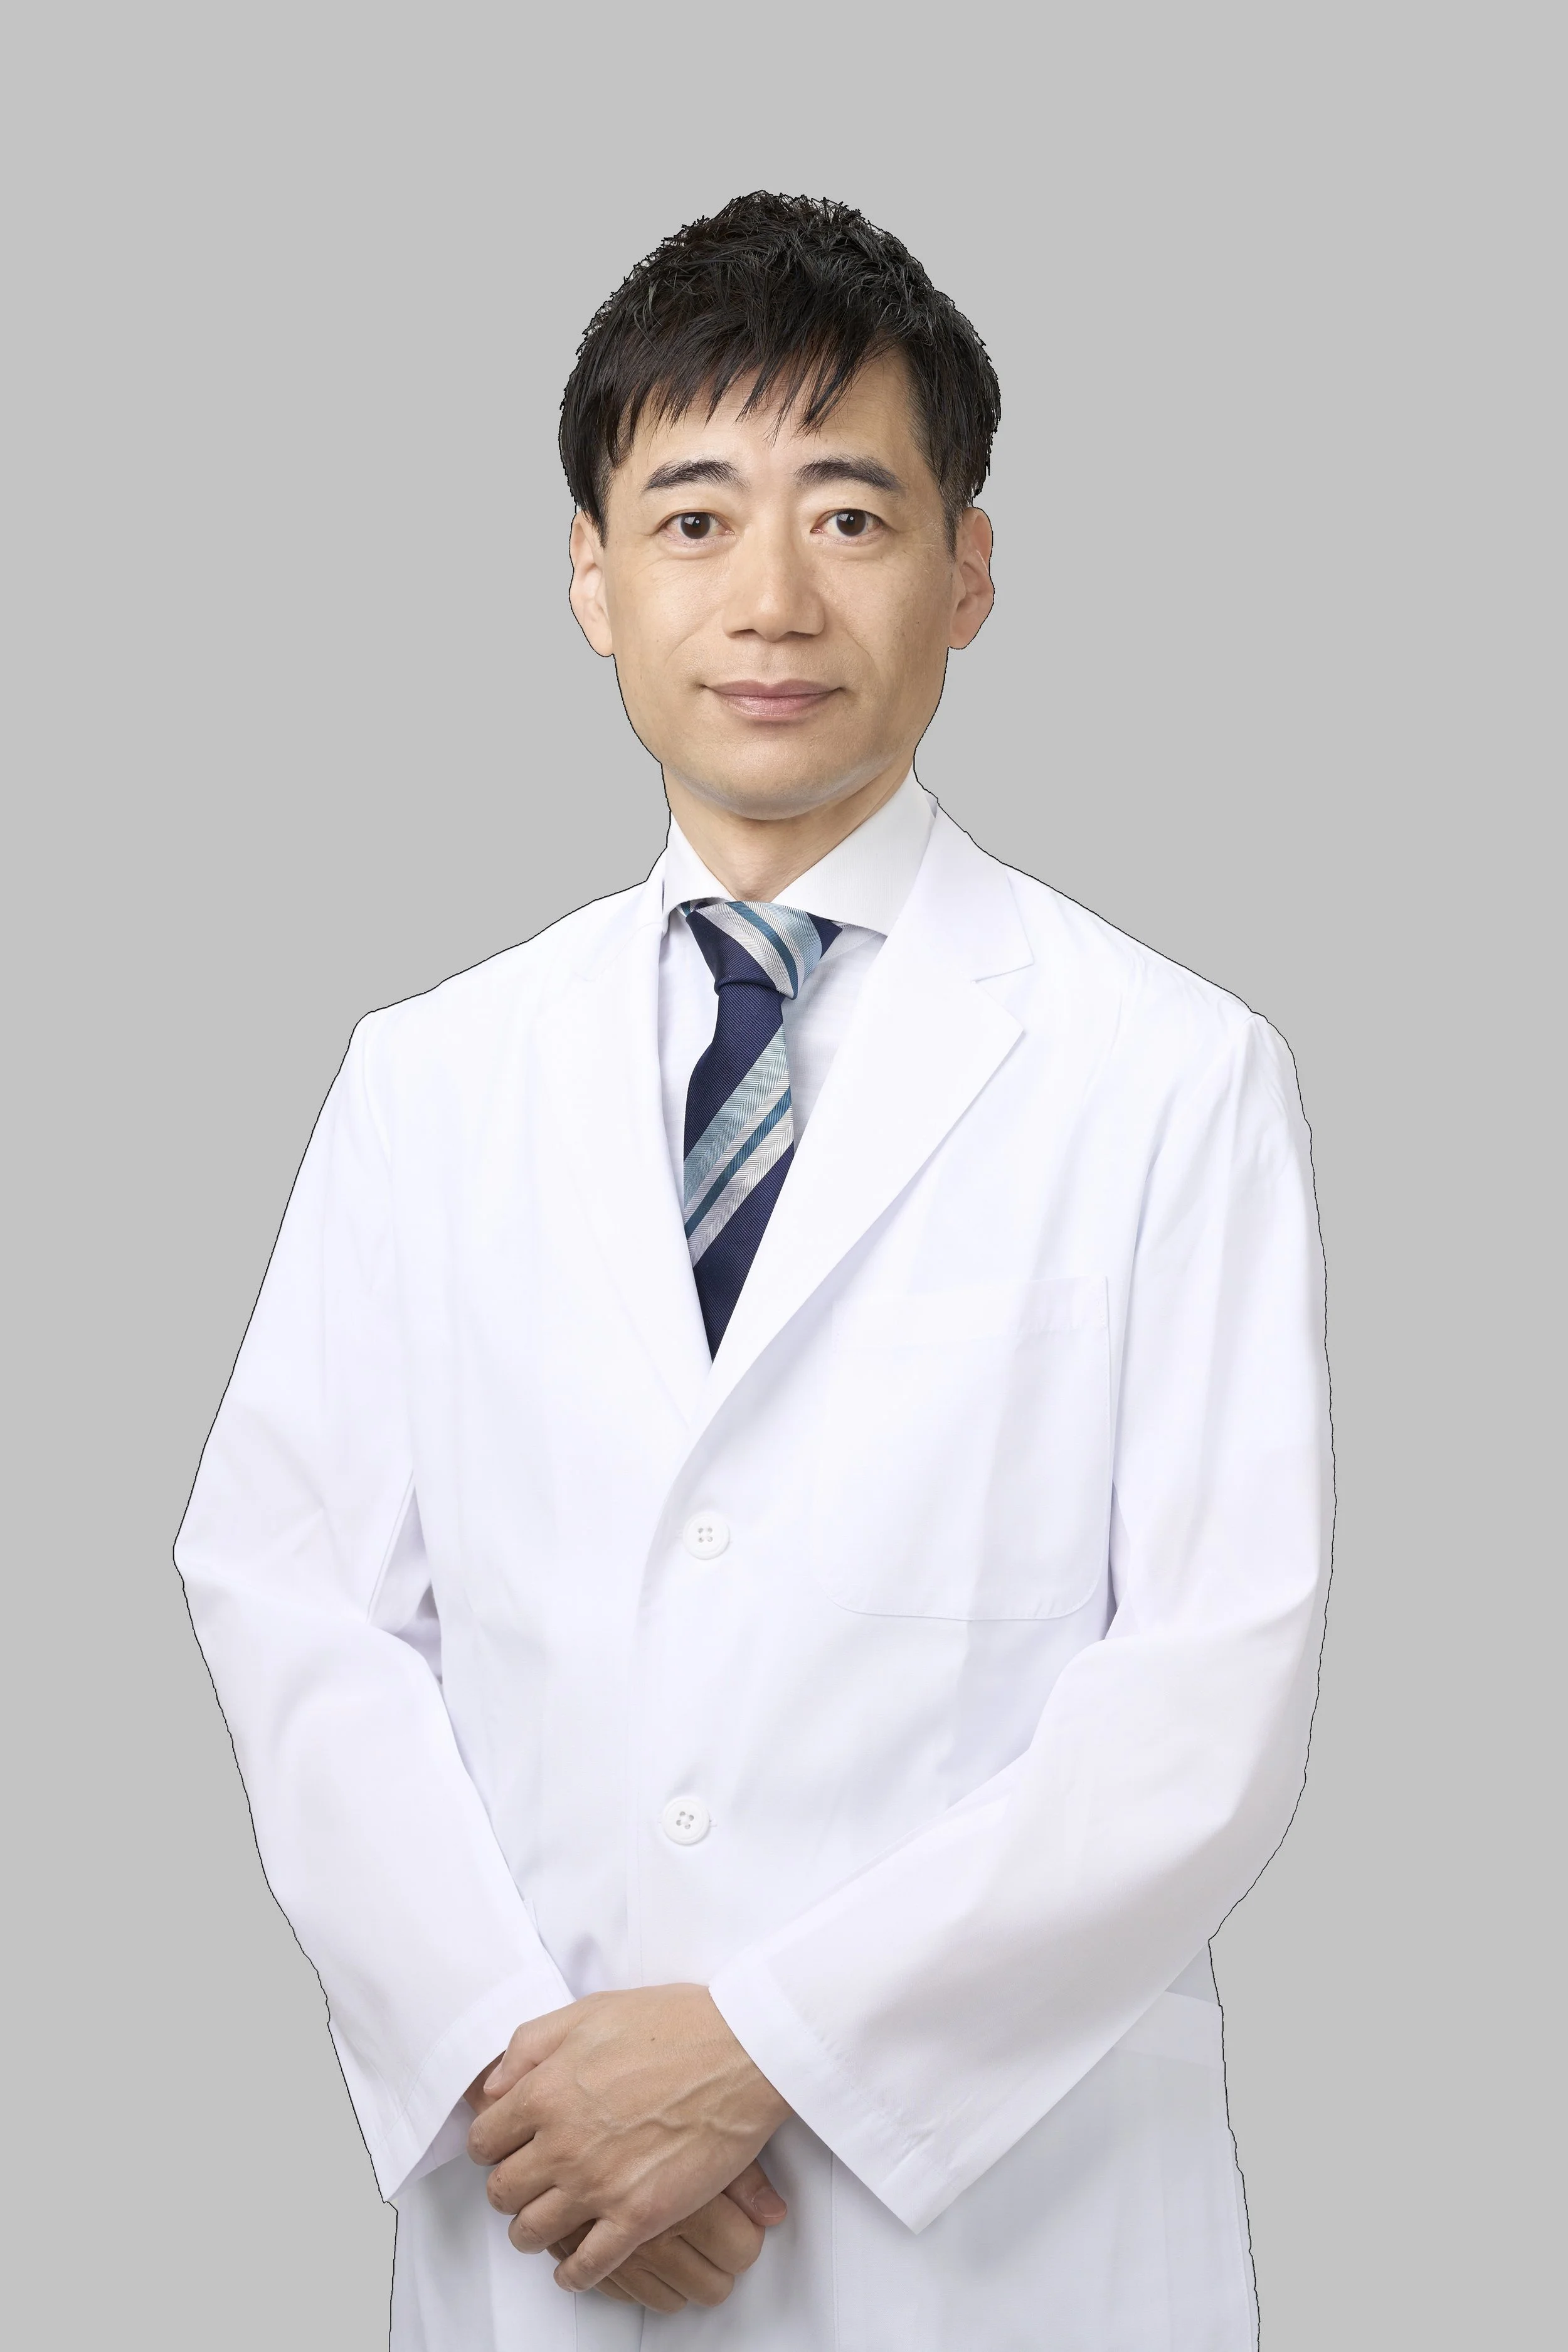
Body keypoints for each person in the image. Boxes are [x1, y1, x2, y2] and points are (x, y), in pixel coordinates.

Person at [177, 191, 1330, 2350]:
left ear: (967, 570)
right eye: (692, 519)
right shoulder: (428, 1077)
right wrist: (514, 2068)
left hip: (1000, 2240)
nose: (772, 599)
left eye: (851, 516)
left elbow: (1208, 1686)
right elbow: (289, 1592)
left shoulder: (1168, 1073)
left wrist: (761, 2056)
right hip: (550, 2219)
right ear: (590, 579)